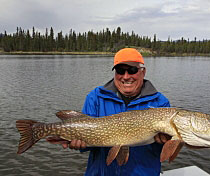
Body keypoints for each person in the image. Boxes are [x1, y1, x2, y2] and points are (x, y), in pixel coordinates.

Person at [62, 48, 171, 176]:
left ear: (143, 72)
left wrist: (166, 141)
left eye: (132, 70)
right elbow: (90, 140)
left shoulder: (160, 103)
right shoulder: (96, 97)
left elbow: (166, 150)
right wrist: (81, 144)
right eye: (120, 71)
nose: (126, 76)